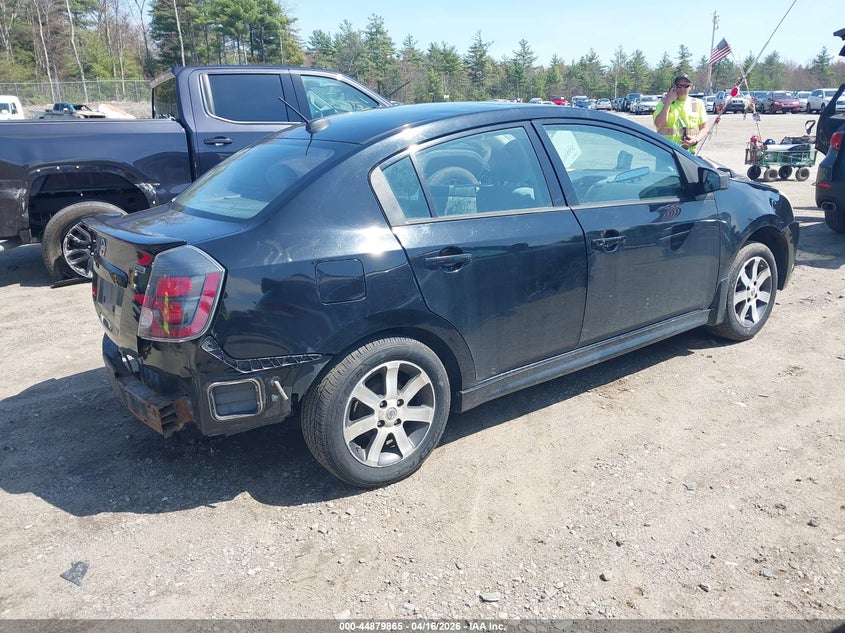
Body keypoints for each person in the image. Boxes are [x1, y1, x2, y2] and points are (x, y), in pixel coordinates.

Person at [653, 74, 708, 153]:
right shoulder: (664, 102)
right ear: (674, 87)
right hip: (665, 151)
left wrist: (695, 140)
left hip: (687, 152)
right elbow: (659, 124)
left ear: (690, 87)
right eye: (679, 86)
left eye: (686, 86)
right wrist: (668, 101)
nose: (682, 88)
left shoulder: (697, 103)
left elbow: (704, 128)